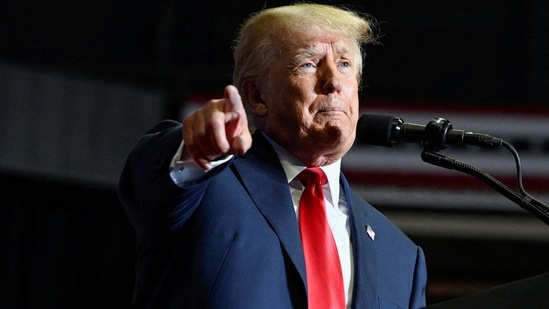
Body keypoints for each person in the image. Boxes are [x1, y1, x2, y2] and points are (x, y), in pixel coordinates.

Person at [118, 3, 427, 308]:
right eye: (308, 64)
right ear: (257, 95)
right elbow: (152, 180)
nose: (333, 81)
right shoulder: (205, 186)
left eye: (345, 64)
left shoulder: (400, 255)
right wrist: (197, 149)